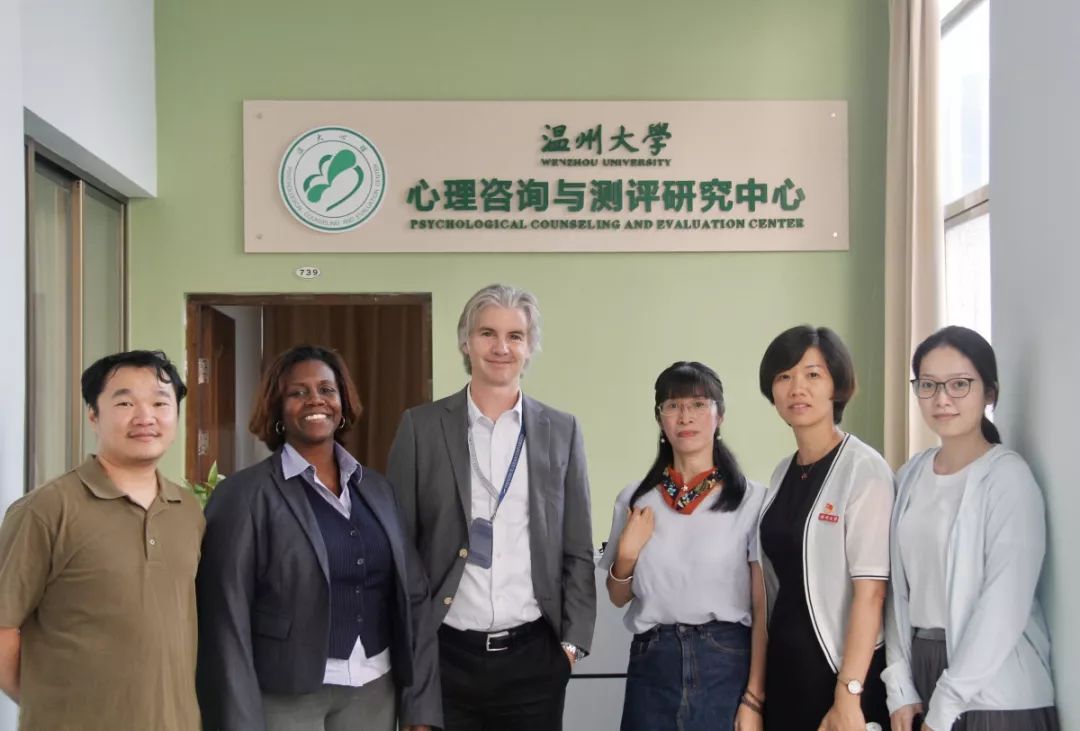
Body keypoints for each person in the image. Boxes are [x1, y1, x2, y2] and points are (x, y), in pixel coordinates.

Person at [196, 345, 440, 731]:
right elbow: (225, 619)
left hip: (374, 688)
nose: (316, 400)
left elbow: (414, 596)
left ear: (343, 402)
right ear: (277, 408)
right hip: (284, 696)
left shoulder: (377, 490)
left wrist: (420, 707)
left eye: (327, 390)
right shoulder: (243, 495)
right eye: (298, 392)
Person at [387, 283, 596, 731]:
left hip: (535, 657)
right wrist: (412, 656)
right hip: (444, 659)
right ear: (466, 342)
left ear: (529, 347)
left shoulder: (562, 431)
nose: (501, 347)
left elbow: (577, 546)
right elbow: (400, 551)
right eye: (487, 333)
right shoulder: (421, 427)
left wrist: (571, 645)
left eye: (515, 336)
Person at [0, 350, 203, 730]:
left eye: (160, 403)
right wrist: (49, 704)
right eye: (125, 403)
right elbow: (3, 627)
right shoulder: (46, 509)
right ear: (93, 415)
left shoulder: (188, 510)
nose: (145, 417)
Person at [882, 326, 1059, 731]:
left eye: (959, 384)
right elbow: (895, 591)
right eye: (928, 385)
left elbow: (1004, 605)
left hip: (996, 690)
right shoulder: (909, 476)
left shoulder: (1008, 478)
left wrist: (946, 704)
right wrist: (899, 686)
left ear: (989, 393)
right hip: (924, 671)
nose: (942, 399)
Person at [599, 361, 767, 731]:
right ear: (659, 419)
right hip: (653, 661)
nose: (685, 417)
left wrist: (754, 698)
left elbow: (762, 606)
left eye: (698, 404)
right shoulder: (636, 498)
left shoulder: (753, 500)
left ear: (720, 416)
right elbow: (617, 596)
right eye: (673, 406)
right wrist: (626, 555)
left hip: (725, 659)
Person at [756, 325, 893, 730]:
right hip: (786, 674)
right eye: (784, 376)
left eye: (813, 374)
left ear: (837, 385)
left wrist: (849, 693)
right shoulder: (783, 471)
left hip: (840, 676)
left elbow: (872, 593)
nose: (797, 388)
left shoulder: (864, 469)